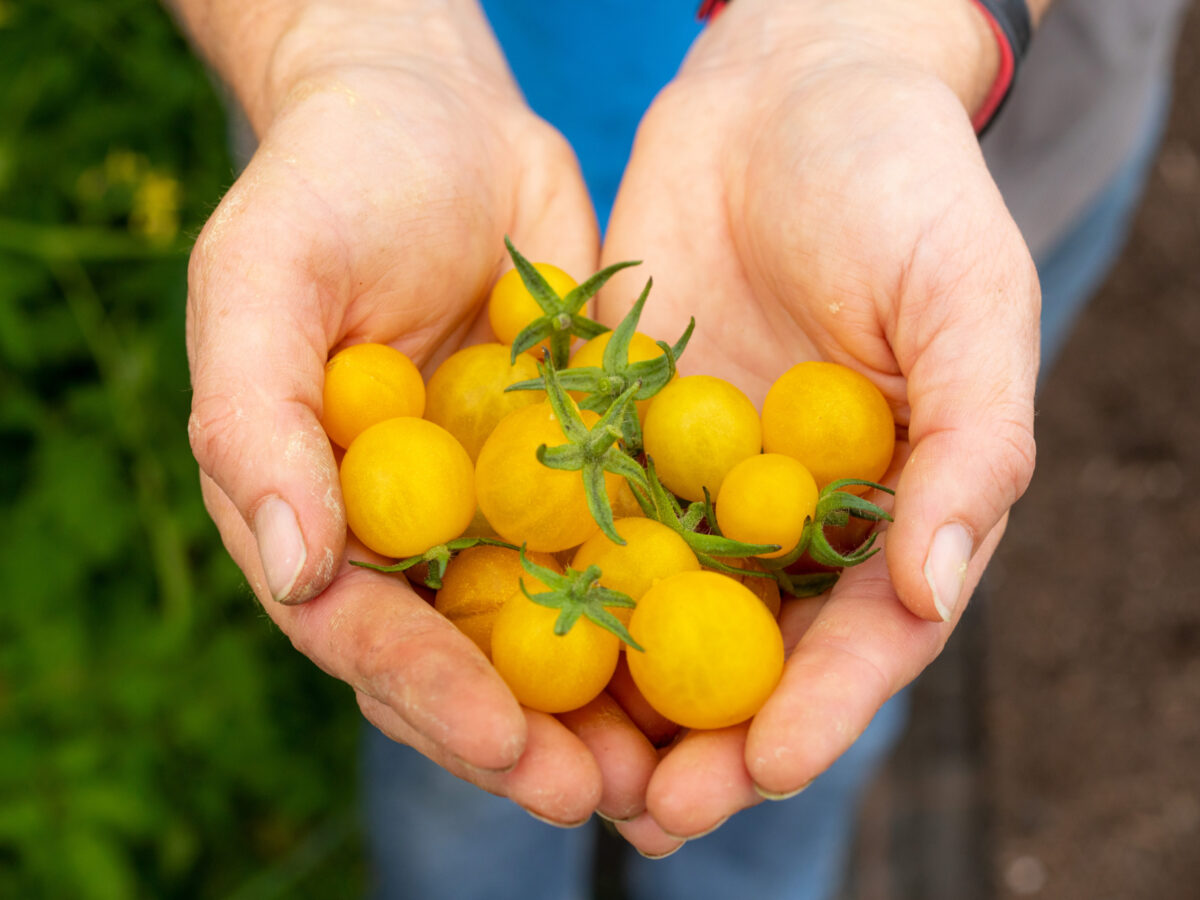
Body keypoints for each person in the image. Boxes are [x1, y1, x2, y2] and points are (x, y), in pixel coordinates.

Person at [170, 0, 1189, 896]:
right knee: (459, 742)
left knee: (823, 699)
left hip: (915, 151)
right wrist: (333, 35)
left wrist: (881, 26)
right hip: (411, 189)